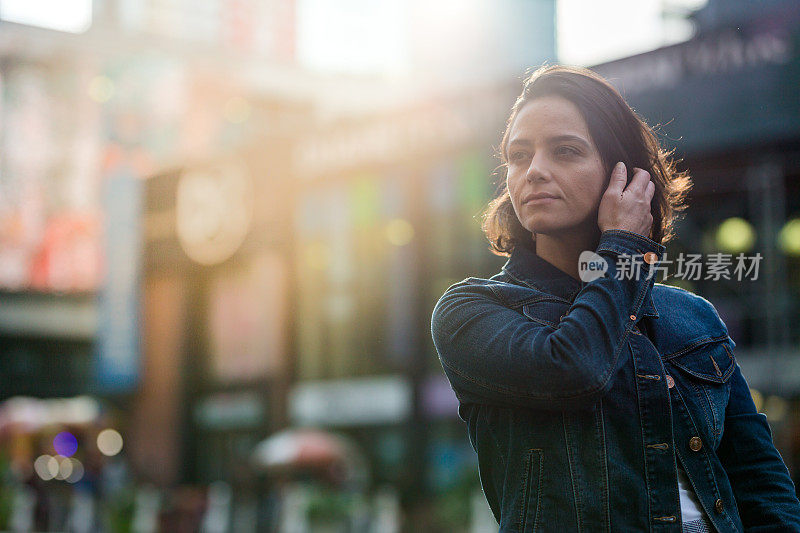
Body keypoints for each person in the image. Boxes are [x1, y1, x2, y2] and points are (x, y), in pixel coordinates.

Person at [430, 64, 800, 532]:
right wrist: (622, 244)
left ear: (626, 176)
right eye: (518, 156)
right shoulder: (473, 310)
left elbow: (759, 476)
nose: (535, 171)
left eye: (565, 151)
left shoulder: (693, 315)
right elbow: (576, 368)